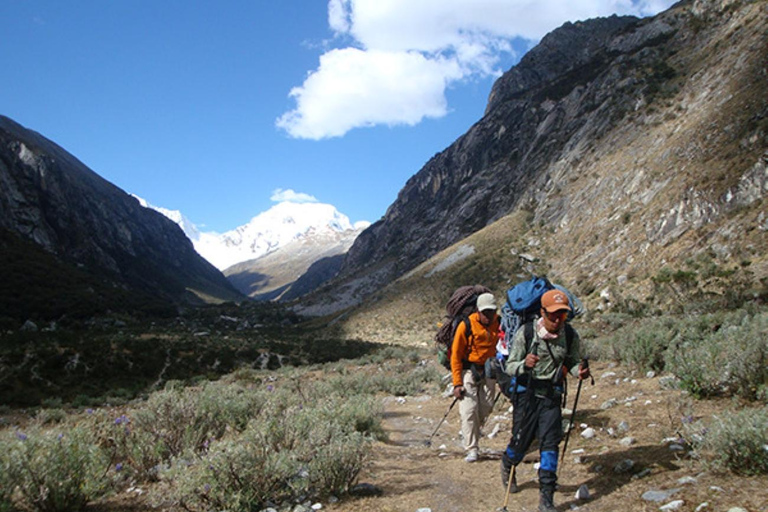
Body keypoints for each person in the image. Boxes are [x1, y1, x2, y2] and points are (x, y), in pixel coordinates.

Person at [500, 289, 591, 512]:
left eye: (562, 314)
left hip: (551, 396)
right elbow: (510, 365)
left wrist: (578, 371)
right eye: (553, 315)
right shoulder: (527, 333)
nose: (558, 319)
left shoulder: (569, 335)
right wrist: (524, 365)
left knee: (550, 444)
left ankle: (546, 498)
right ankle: (508, 463)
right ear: (542, 312)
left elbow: (572, 360)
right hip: (527, 395)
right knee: (520, 443)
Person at [451, 292, 500, 462]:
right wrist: (457, 383)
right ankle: (472, 448)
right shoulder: (466, 325)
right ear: (478, 311)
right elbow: (456, 356)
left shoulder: (499, 323)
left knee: (486, 406)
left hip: (490, 370)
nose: (489, 316)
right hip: (469, 371)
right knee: (469, 410)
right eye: (485, 312)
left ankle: (470, 432)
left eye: (492, 312)